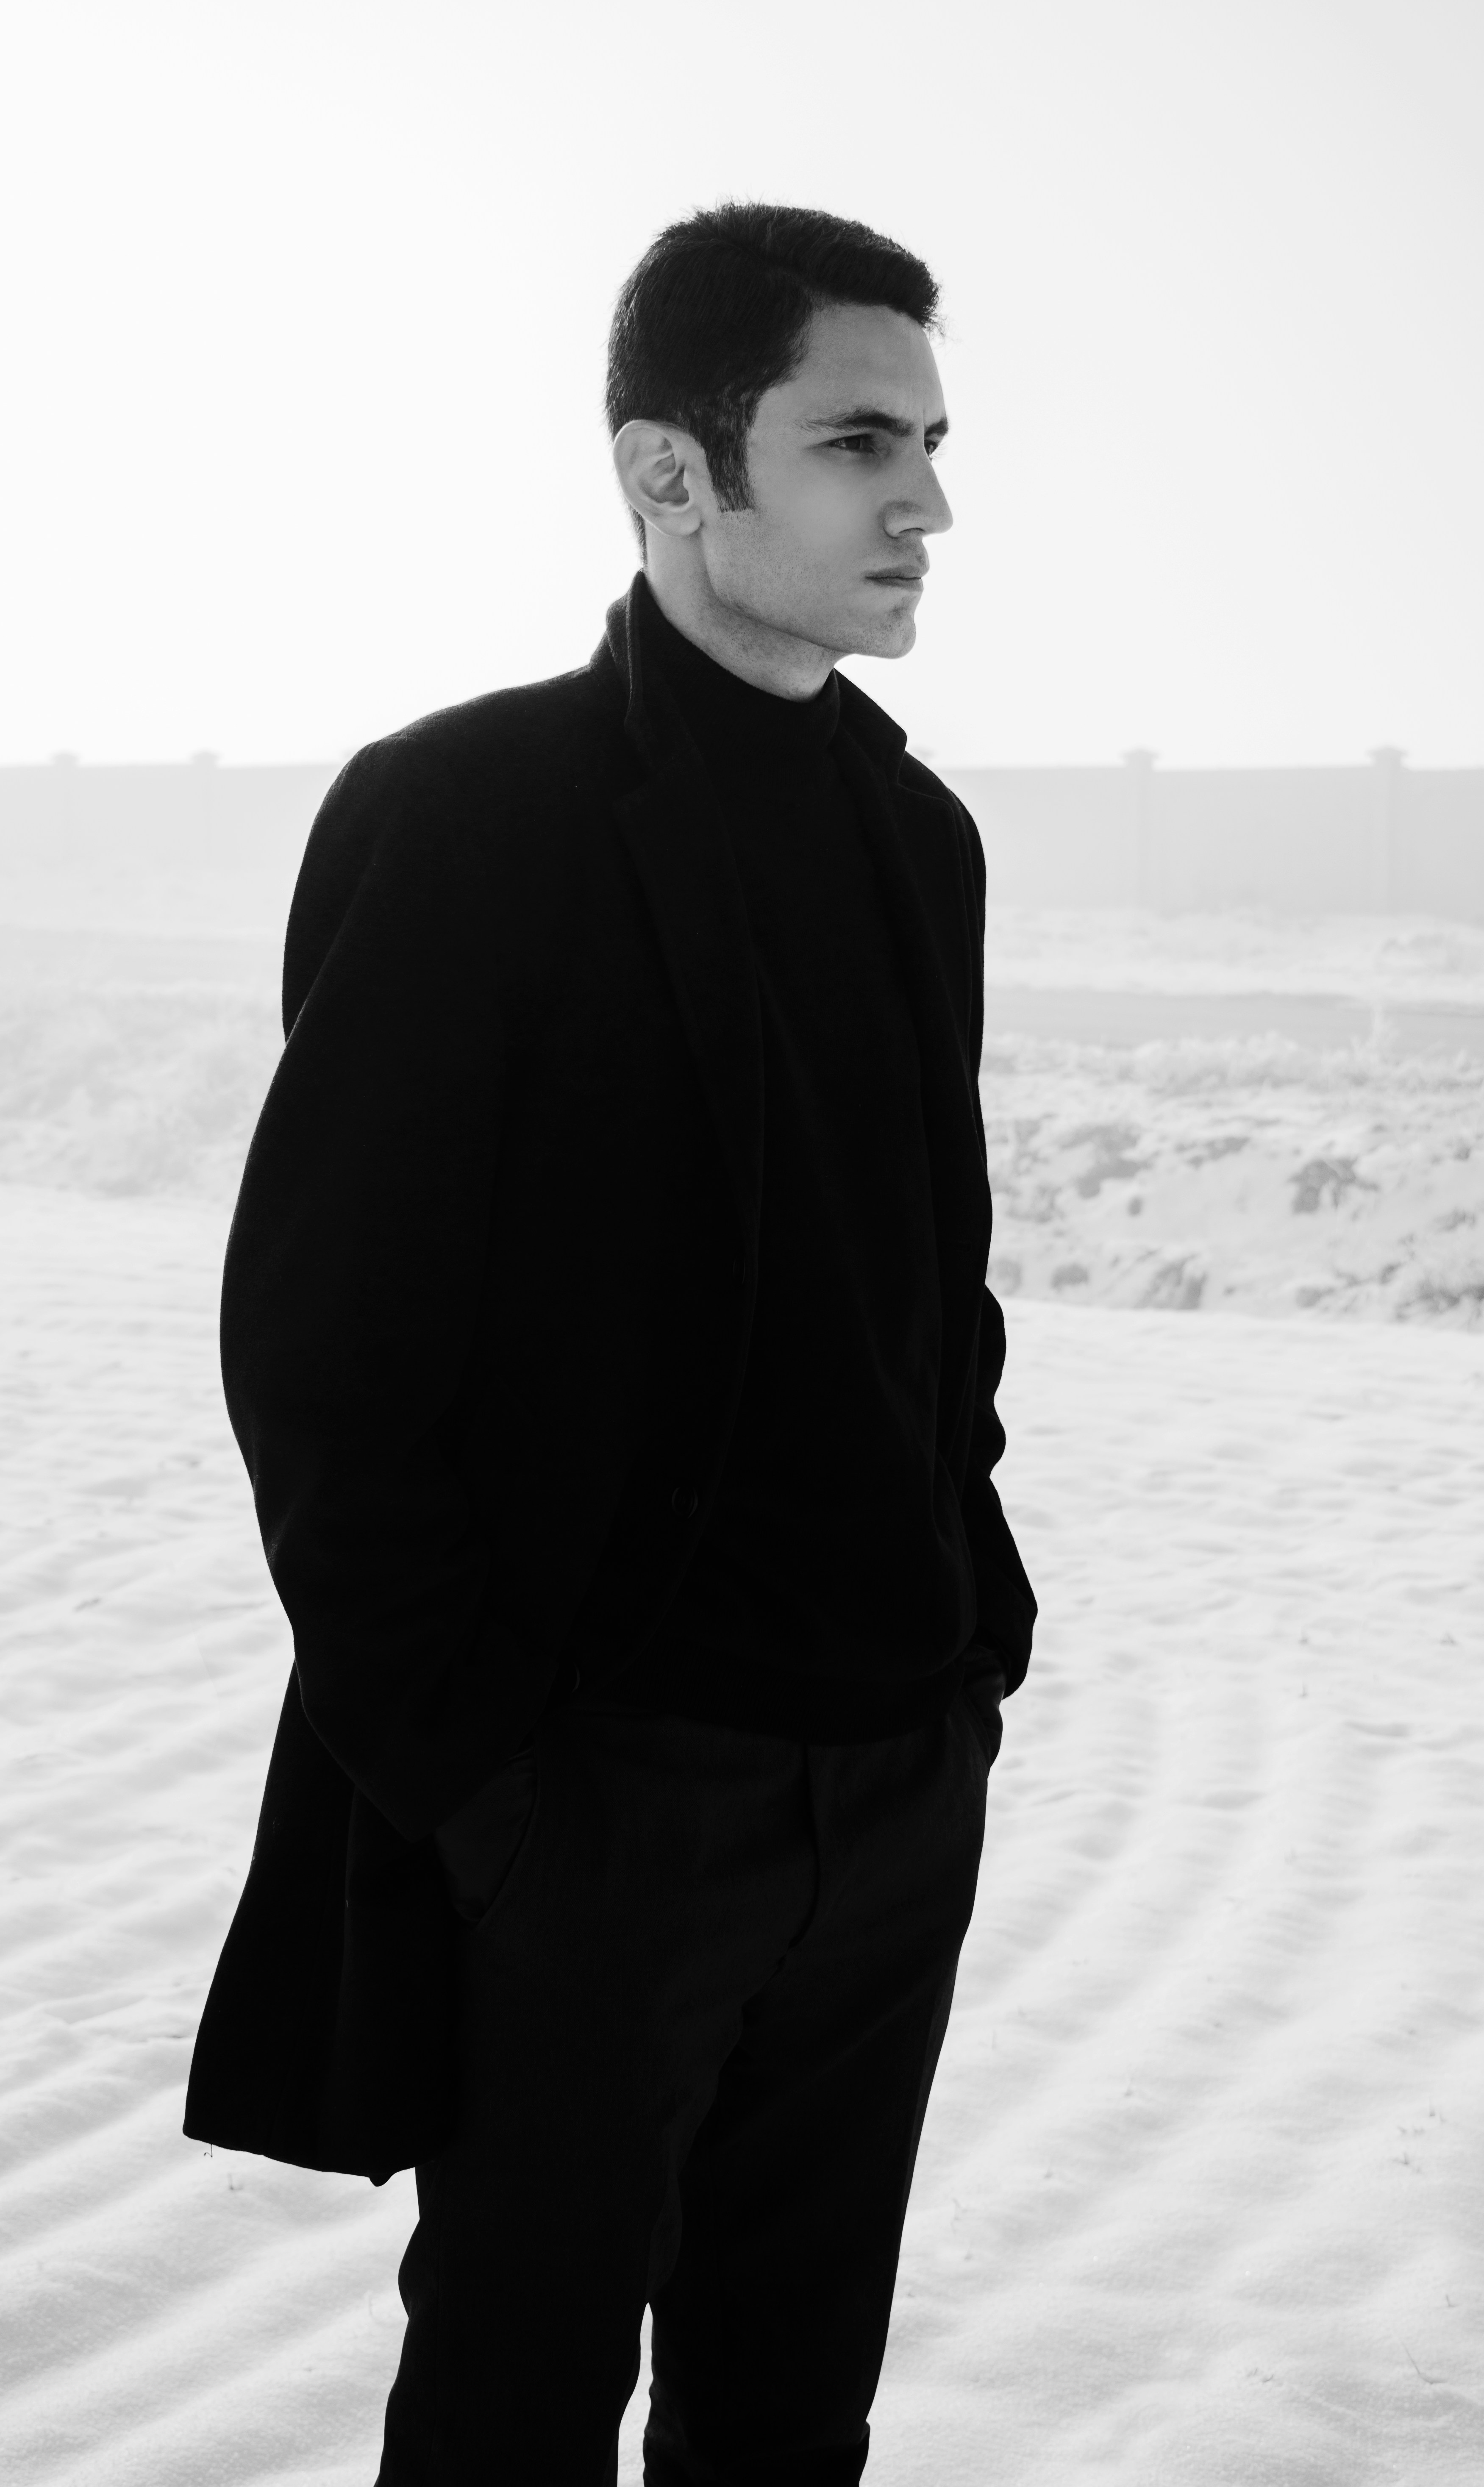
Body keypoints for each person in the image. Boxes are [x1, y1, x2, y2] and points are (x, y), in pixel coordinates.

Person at [183, 200, 1037, 2487]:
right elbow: (326, 1353)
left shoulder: (915, 838)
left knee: (788, 2419)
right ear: (674, 475)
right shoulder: (467, 816)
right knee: (514, 2410)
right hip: (600, 1802)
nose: (928, 501)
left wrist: (973, 1636)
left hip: (889, 1779)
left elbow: (927, 1285)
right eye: (861, 441)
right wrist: (486, 1789)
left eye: (935, 441)